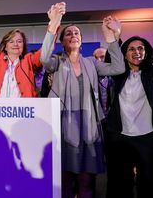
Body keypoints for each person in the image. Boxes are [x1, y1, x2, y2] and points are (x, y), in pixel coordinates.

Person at [40, 10, 126, 198]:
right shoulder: (56, 62)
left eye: (76, 32)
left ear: (81, 39)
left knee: (87, 181)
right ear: (62, 41)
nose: (73, 35)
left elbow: (119, 68)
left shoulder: (92, 63)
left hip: (89, 125)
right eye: (68, 33)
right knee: (65, 181)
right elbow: (43, 58)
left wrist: (110, 38)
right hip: (63, 124)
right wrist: (53, 26)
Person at [102, 32, 153, 198]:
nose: (137, 52)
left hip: (147, 137)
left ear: (146, 52)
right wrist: (115, 36)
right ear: (125, 54)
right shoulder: (118, 75)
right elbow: (110, 59)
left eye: (141, 48)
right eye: (131, 49)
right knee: (119, 183)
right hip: (119, 137)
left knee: (150, 183)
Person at [0, 6, 49, 98]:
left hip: (23, 110)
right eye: (11, 41)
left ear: (24, 45)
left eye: (19, 41)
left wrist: (53, 24)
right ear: (5, 47)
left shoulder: (29, 60)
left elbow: (46, 50)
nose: (15, 44)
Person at [93, 47, 111, 115]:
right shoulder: (89, 79)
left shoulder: (115, 78)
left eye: (102, 57)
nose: (98, 60)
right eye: (95, 58)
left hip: (112, 119)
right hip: (96, 119)